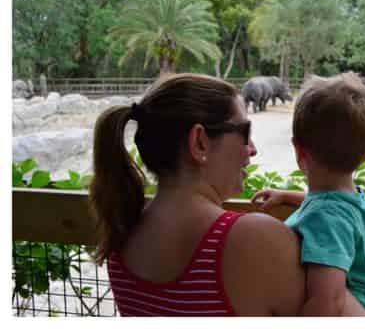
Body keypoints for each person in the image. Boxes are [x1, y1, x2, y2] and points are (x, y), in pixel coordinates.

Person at [89, 73, 305, 316]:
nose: (252, 150)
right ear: (200, 142)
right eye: (244, 134)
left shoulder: (121, 233)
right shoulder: (256, 239)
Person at [250, 75, 365, 317]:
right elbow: (327, 204)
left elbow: (328, 301)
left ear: (298, 149)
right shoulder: (348, 199)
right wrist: (287, 196)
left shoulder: (326, 218)